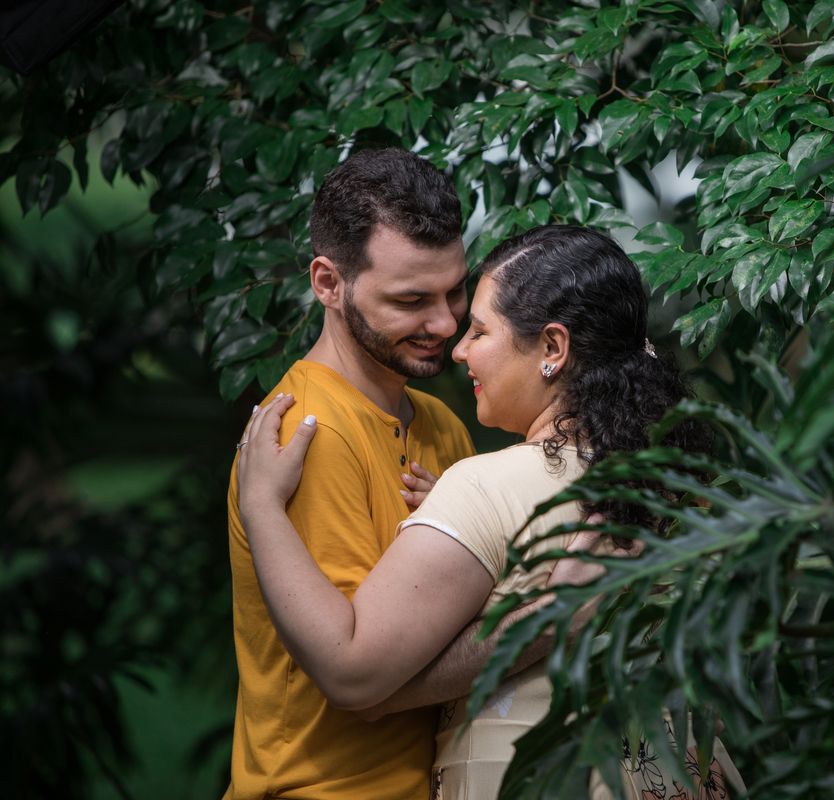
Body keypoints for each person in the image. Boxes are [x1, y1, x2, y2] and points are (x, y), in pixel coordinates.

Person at [236, 225, 745, 799]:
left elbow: (357, 679)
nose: (457, 346)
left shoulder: (486, 486)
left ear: (552, 349)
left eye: (479, 330)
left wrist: (261, 505)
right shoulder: (675, 486)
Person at [225, 150, 583, 800]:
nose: (445, 325)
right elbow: (359, 677)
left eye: (454, 292)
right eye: (411, 300)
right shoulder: (309, 432)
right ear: (329, 284)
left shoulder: (440, 423)